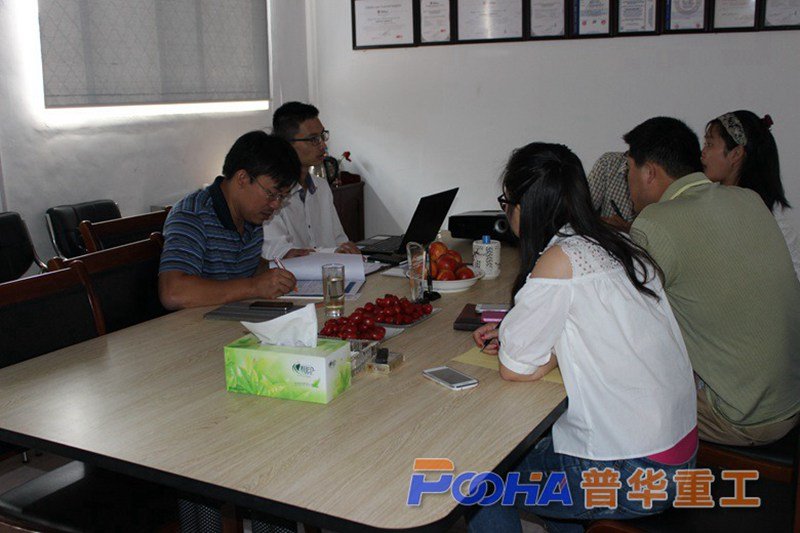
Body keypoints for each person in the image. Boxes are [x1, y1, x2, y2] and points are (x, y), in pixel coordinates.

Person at [467, 143, 697, 533]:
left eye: (507, 203)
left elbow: (516, 367)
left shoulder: (559, 260)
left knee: (479, 474)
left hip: (632, 471)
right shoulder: (618, 244)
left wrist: (536, 347)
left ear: (524, 207)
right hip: (678, 456)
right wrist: (542, 338)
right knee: (547, 449)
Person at [624, 116, 800, 446]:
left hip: (742, 417)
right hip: (790, 399)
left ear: (649, 172)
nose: (626, 180)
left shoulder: (654, 223)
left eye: (628, 169)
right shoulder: (748, 199)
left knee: (612, 393)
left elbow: (628, 321)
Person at [159, 131, 300, 310]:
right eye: (272, 194)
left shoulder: (250, 215)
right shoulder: (193, 215)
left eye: (282, 197)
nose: (276, 205)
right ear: (242, 178)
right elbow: (174, 293)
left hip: (235, 315)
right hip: (197, 322)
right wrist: (254, 287)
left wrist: (280, 266)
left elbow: (241, 267)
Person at [701, 110, 800, 280]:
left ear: (736, 154)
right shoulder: (709, 203)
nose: (703, 152)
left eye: (709, 144)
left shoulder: (771, 221)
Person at [263, 101, 360, 260]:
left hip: (331, 271)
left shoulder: (321, 187)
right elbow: (280, 253)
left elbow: (340, 240)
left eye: (322, 136)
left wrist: (347, 250)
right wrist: (334, 252)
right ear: (287, 144)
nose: (323, 145)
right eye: (313, 139)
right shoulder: (272, 194)